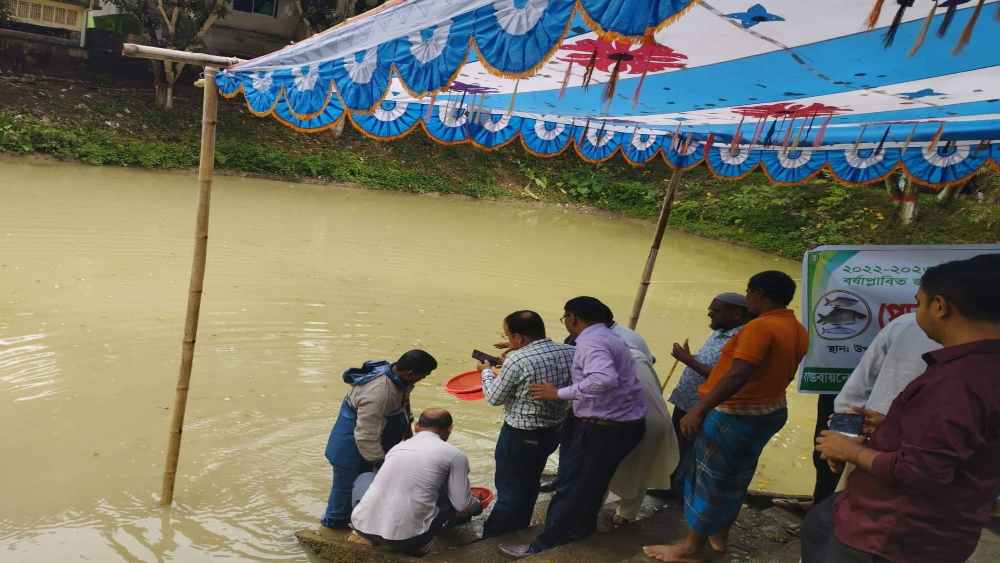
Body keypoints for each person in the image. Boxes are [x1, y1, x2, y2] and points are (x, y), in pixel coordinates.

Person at [808, 254, 1000, 563]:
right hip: (943, 531)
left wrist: (849, 451)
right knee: (821, 521)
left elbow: (921, 471)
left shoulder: (958, 380)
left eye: (918, 302)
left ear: (940, 306)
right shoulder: (980, 369)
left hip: (889, 535)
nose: (915, 312)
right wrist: (889, 427)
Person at [644, 271, 807, 563]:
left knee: (708, 479)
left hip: (736, 413)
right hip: (769, 410)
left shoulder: (760, 328)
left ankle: (690, 548)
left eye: (749, 293)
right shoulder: (796, 327)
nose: (747, 299)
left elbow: (738, 374)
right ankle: (719, 535)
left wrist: (698, 408)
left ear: (759, 294)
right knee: (736, 478)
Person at [499, 296, 646, 557]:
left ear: (573, 318)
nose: (565, 322)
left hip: (603, 427)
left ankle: (544, 545)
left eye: (565, 317)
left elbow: (604, 378)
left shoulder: (591, 341)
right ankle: (581, 530)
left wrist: (558, 393)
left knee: (569, 487)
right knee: (592, 484)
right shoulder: (610, 337)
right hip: (622, 423)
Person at [779, 312, 941, 514]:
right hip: (887, 445)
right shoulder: (906, 325)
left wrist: (842, 440)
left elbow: (855, 393)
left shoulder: (906, 324)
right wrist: (842, 442)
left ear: (939, 305)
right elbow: (855, 394)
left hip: (878, 444)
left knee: (856, 514)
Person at [478, 310, 575, 538]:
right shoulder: (571, 351)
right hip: (553, 431)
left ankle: (495, 534)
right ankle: (520, 524)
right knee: (530, 480)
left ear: (519, 338)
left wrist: (486, 373)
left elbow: (494, 397)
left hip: (520, 435)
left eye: (509, 335)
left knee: (509, 488)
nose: (508, 340)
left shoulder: (517, 359)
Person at [320, 349, 438, 529]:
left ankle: (359, 522)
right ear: (411, 373)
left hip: (373, 442)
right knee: (343, 494)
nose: (424, 379)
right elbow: (365, 435)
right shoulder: (379, 392)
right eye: (424, 375)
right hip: (350, 448)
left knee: (368, 490)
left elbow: (403, 405)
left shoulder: (398, 377)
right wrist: (381, 463)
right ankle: (332, 529)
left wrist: (408, 437)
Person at [350, 408, 483, 556]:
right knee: (455, 503)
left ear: (416, 427)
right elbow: (462, 505)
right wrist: (478, 505)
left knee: (366, 477)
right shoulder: (455, 455)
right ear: (449, 429)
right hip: (407, 540)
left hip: (362, 528)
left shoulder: (397, 448)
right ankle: (428, 543)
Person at [667, 292, 750, 494]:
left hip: (702, 405)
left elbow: (724, 377)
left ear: (736, 314)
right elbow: (712, 362)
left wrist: (687, 360)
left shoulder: (741, 338)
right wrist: (691, 357)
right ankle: (669, 483)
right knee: (675, 444)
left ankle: (678, 490)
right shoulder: (720, 330)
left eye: (716, 310)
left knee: (690, 449)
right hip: (686, 399)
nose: (709, 313)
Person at [605, 307, 679, 526]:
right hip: (658, 419)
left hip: (634, 422)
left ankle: (589, 517)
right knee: (640, 470)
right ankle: (625, 516)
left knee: (603, 470)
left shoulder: (601, 360)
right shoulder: (635, 353)